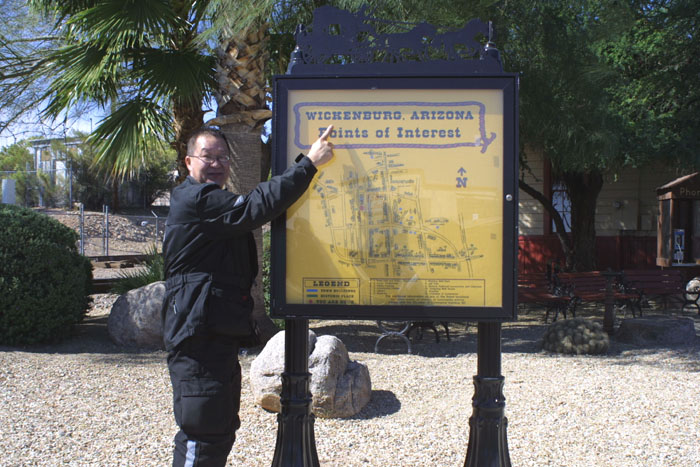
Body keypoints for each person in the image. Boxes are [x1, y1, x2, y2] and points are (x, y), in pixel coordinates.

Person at [161, 125, 334, 466]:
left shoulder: (212, 202)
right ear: (188, 161)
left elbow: (254, 206)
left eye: (223, 157)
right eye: (208, 156)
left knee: (220, 428)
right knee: (202, 432)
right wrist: (309, 164)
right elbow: (255, 205)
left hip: (214, 336)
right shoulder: (198, 200)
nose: (217, 164)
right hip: (198, 341)